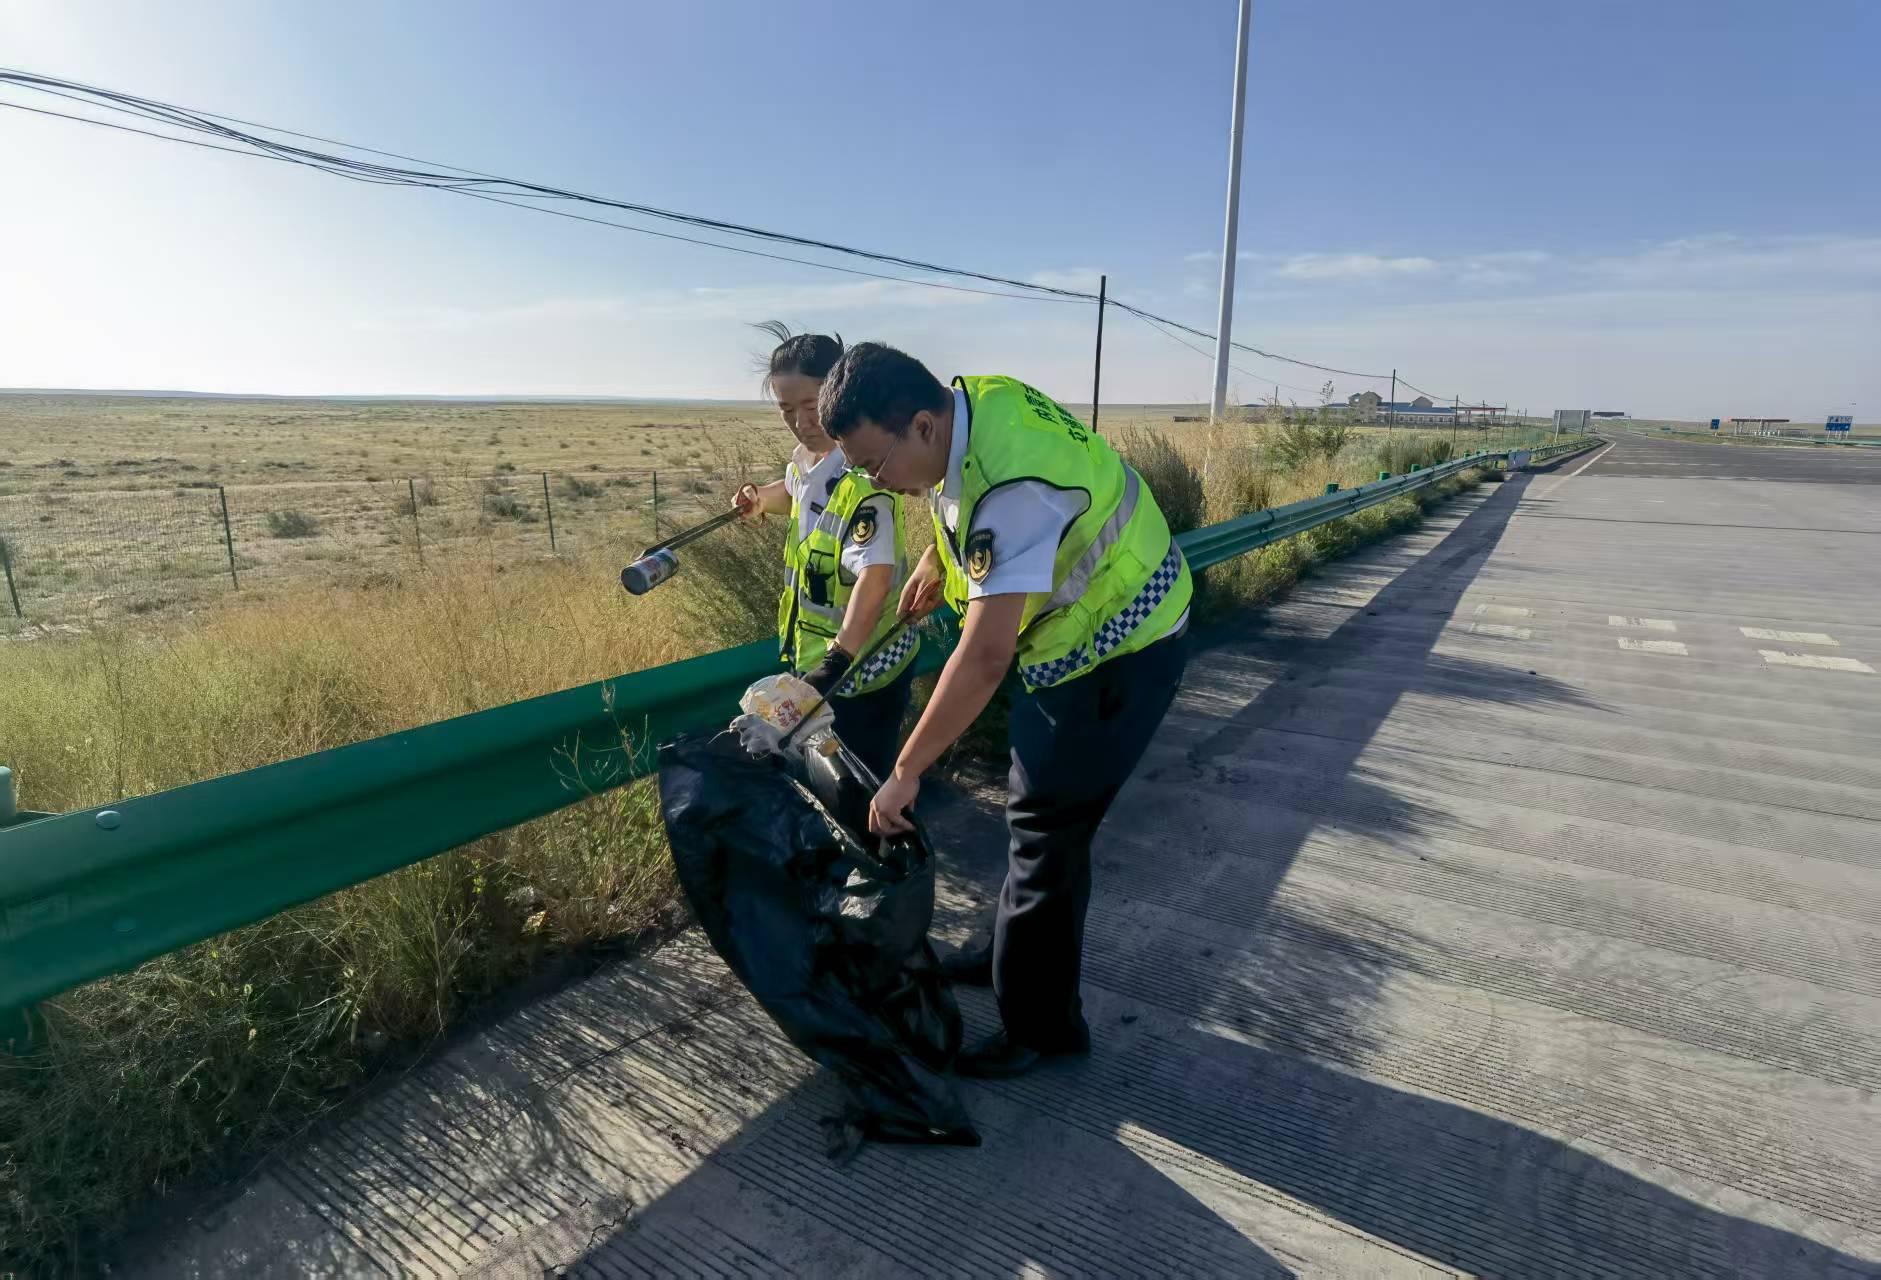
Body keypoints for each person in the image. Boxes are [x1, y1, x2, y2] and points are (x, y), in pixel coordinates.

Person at [818, 342, 1191, 1078]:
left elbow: (984, 657)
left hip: (1119, 645)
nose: (874, 482)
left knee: (1046, 829)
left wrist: (905, 772)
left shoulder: (1012, 490)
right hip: (1088, 631)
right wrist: (939, 558)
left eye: (874, 464)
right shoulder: (975, 401)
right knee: (1035, 820)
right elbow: (967, 500)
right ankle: (1009, 955)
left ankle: (1042, 1028)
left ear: (922, 425)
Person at [732, 324, 919, 784]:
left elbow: (875, 576)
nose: (800, 421)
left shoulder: (865, 479)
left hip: (861, 670)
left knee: (860, 788)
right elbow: (796, 493)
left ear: (839, 395)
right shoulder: (807, 461)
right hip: (818, 666)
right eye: (786, 409)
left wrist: (834, 665)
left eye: (811, 406)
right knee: (822, 782)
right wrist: (759, 500)